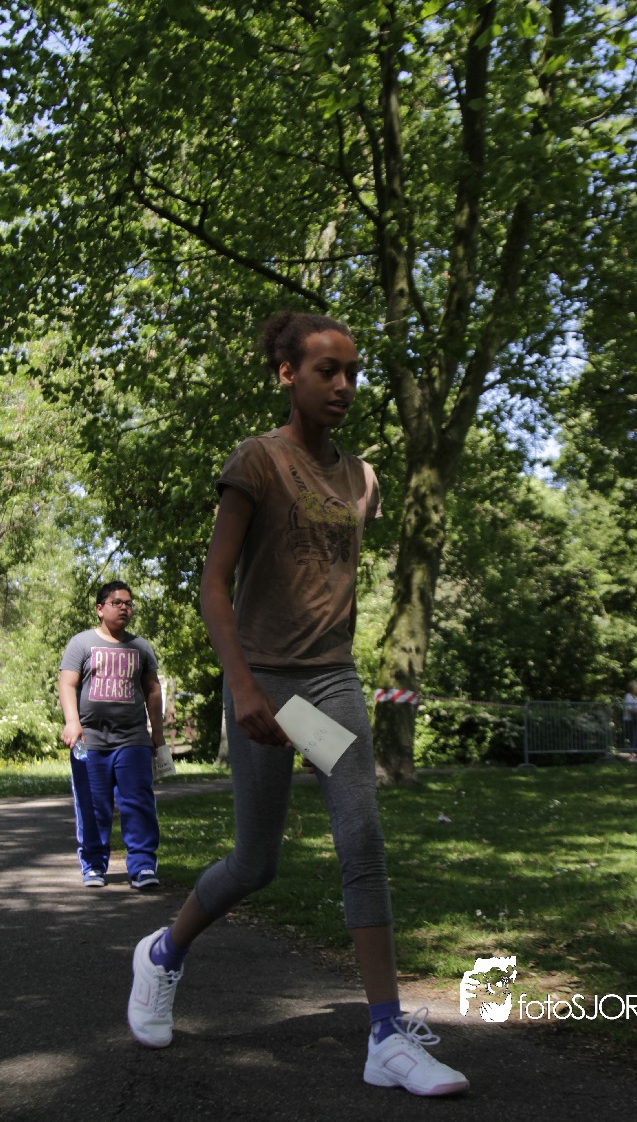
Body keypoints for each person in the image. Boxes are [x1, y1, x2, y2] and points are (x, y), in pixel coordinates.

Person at [127, 311, 469, 1097]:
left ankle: (386, 1035)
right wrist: (243, 684)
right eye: (327, 370)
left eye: (353, 372)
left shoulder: (362, 479)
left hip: (328, 686)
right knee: (256, 863)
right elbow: (215, 584)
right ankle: (163, 954)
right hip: (266, 682)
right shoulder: (258, 460)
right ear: (288, 374)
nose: (344, 385)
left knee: (362, 839)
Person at [59, 581, 164, 888]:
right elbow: (67, 684)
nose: (124, 608)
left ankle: (143, 867)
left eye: (129, 603)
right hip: (88, 741)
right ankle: (93, 865)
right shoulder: (81, 643)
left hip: (133, 739)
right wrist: (72, 722)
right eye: (117, 603)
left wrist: (157, 735)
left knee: (138, 803)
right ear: (100, 608)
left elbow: (153, 690)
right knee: (92, 804)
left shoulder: (141, 646)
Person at [623, 681, 637, 761]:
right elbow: (629, 709)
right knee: (633, 737)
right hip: (630, 720)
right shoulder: (628, 697)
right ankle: (632, 755)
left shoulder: (636, 698)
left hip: (636, 719)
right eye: (636, 688)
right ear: (632, 689)